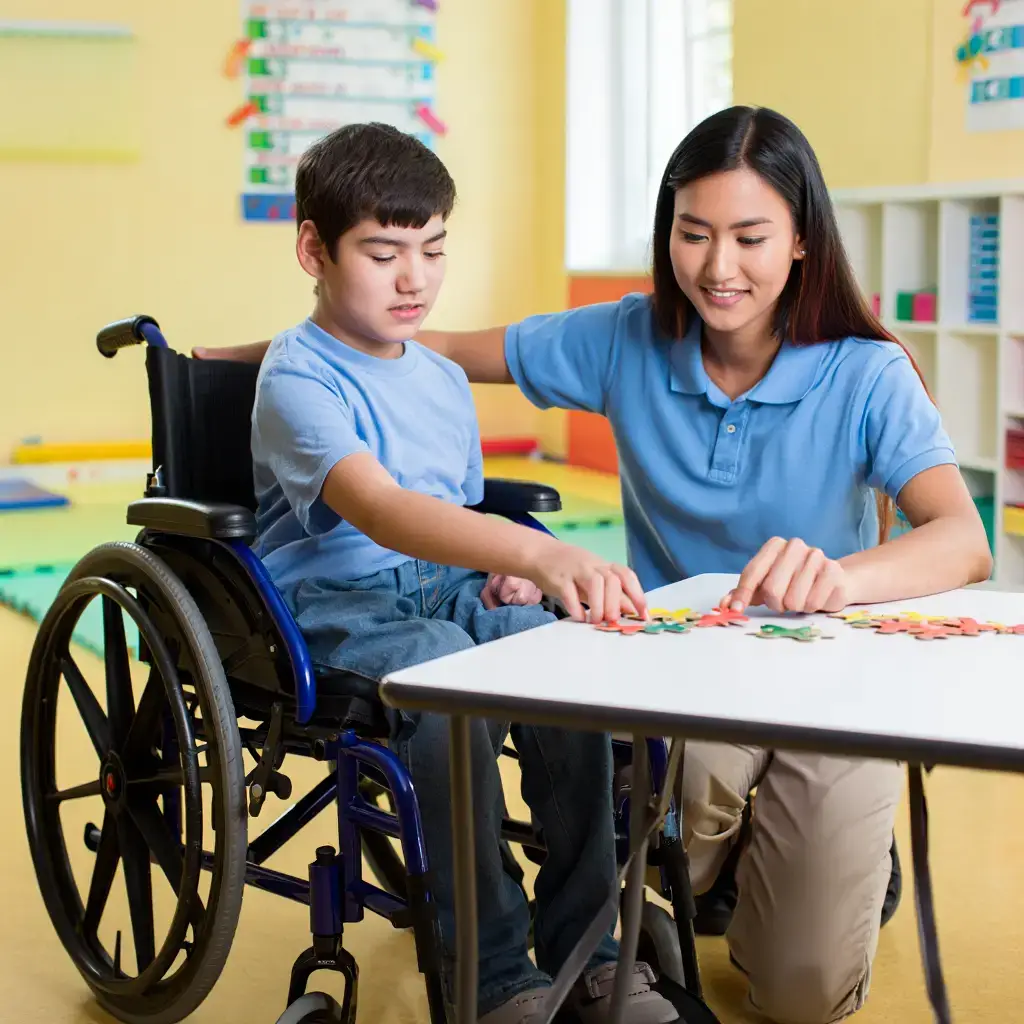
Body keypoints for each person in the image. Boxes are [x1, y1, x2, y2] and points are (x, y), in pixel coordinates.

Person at [200, 107, 992, 1023]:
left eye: (750, 237)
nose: (718, 266)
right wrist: (228, 364)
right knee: (539, 683)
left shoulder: (866, 371)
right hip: (666, 664)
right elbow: (400, 380)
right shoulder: (623, 337)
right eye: (693, 234)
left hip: (822, 679)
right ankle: (512, 969)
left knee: (801, 989)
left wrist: (843, 579)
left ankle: (628, 928)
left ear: (805, 240)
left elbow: (964, 541)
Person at [248, 122, 679, 1024]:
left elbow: (458, 513)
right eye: (383, 252)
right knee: (449, 677)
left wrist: (513, 573)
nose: (415, 278)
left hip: (443, 587)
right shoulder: (299, 378)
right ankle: (494, 976)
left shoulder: (440, 377)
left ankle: (590, 947)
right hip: (336, 599)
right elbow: (383, 509)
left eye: (433, 250)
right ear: (312, 251)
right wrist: (536, 551)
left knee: (559, 654)